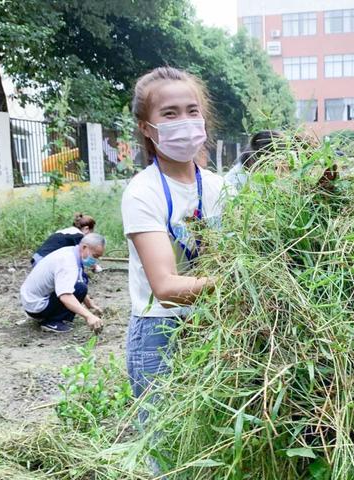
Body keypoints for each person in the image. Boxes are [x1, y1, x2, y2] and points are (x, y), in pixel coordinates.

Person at [122, 67, 229, 403]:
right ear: (146, 127)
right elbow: (166, 289)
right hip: (160, 333)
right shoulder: (143, 192)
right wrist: (239, 280)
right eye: (170, 113)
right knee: (165, 445)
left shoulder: (219, 187)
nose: (184, 120)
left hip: (213, 324)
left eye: (191, 111)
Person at [20, 233, 105, 333]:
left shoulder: (71, 252)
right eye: (95, 256)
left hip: (33, 300)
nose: (95, 260)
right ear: (85, 247)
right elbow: (65, 296)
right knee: (78, 289)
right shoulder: (67, 263)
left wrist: (90, 305)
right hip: (36, 306)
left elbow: (74, 284)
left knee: (80, 288)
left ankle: (55, 317)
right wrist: (89, 316)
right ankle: (52, 322)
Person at [31, 213, 96, 266]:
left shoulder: (64, 231)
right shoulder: (79, 235)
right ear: (86, 229)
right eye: (91, 232)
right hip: (44, 261)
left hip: (36, 258)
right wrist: (94, 266)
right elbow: (83, 255)